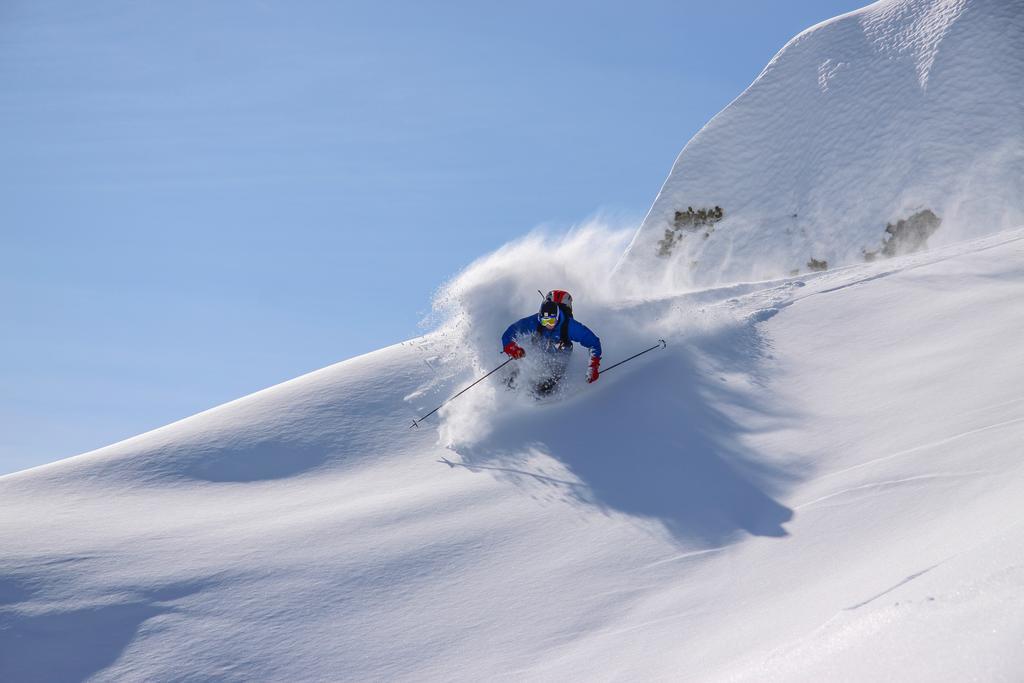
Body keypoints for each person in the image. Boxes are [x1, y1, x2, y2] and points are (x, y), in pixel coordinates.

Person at [501, 290, 602, 396]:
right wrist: (511, 347)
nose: (548, 325)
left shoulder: (570, 327)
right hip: (538, 350)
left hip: (560, 357)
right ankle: (506, 391)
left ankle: (538, 403)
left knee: (543, 388)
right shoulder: (536, 321)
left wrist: (593, 366)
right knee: (515, 375)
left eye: (552, 321)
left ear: (558, 317)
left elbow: (593, 343)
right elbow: (511, 332)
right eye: (545, 321)